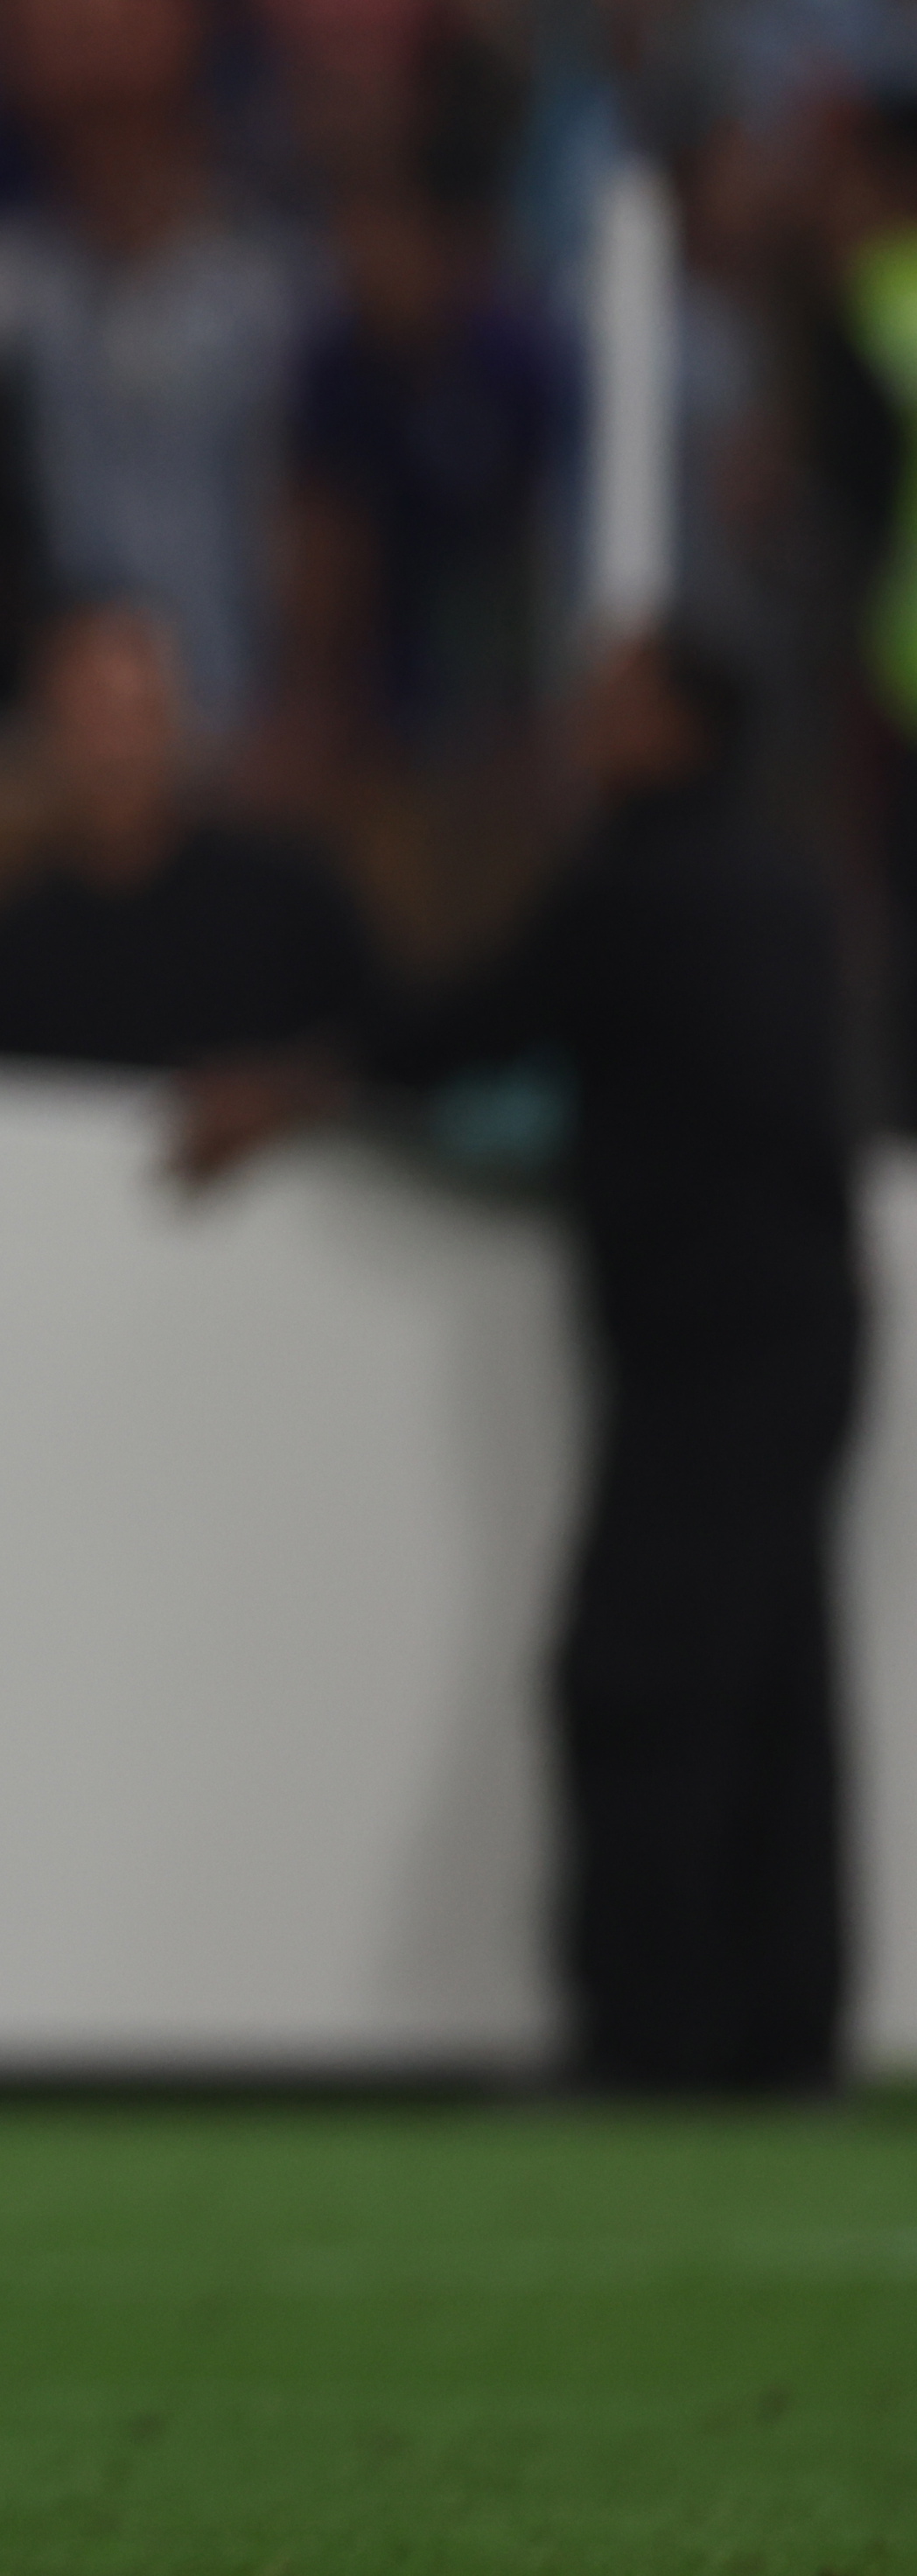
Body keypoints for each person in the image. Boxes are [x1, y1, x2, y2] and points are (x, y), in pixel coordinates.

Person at [180, 625, 863, 2091]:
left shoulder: (633, 892)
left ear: (675, 725)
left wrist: (303, 1087)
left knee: (639, 1681)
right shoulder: (793, 890)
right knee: (778, 1689)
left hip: (700, 1345)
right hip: (812, 1333)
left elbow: (464, 1030)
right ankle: (786, 2033)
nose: (581, 723)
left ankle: (653, 2033)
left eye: (612, 700)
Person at [0, 599, 376, 1068]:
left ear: (178, 720)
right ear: (45, 731)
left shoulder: (288, 900)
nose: (113, 751)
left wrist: (293, 1091)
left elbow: (390, 1047)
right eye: (88, 718)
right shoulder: (6, 949)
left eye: (134, 714)